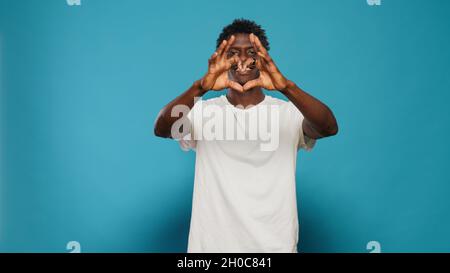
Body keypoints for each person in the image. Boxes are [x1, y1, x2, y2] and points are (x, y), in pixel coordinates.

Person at [154, 18, 338, 253]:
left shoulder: (288, 114)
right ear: (222, 59)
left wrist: (286, 87)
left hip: (275, 247)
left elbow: (328, 127)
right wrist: (200, 87)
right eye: (233, 53)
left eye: (251, 52)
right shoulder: (201, 111)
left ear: (262, 59)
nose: (242, 59)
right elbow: (162, 129)